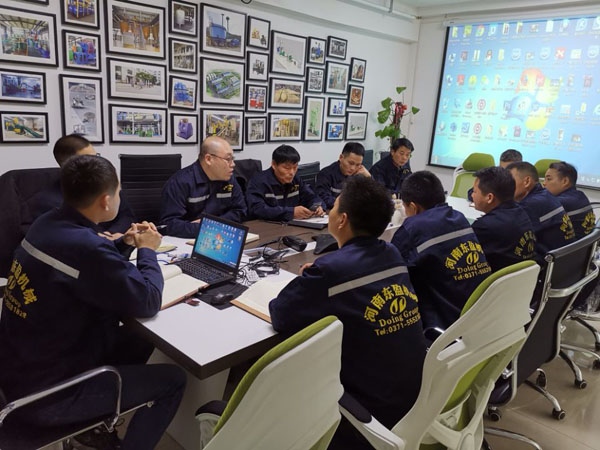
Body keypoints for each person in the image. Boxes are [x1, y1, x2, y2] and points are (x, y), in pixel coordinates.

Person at [0, 155, 185, 449]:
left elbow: (83, 266)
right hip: (47, 396)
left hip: (19, 368)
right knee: (173, 380)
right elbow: (147, 300)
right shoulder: (86, 246)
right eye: (119, 193)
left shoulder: (46, 223)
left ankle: (97, 421)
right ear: (105, 200)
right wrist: (148, 251)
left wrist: (123, 244)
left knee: (141, 338)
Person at [269, 176, 426, 449]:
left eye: (333, 208)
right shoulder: (391, 252)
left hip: (366, 412)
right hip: (415, 397)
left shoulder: (331, 270)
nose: (329, 212)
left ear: (341, 220)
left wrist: (314, 280)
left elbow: (280, 315)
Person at [391, 171, 491, 329]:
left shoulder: (413, 228)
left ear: (413, 207)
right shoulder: (459, 217)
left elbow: (392, 272)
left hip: (447, 325)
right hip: (481, 315)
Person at [26, 134, 135, 235]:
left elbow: (127, 216)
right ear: (69, 165)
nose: (98, 162)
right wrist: (100, 238)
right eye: (89, 159)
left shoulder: (107, 182)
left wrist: (113, 233)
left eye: (96, 156)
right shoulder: (46, 202)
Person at [160, 136, 247, 238]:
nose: (233, 164)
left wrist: (211, 224)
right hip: (187, 242)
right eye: (228, 159)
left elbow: (241, 211)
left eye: (233, 159)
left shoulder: (229, 179)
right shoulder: (180, 182)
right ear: (208, 159)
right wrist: (204, 228)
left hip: (219, 237)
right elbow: (169, 224)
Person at [470, 166, 536, 272]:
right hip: (521, 281)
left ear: (489, 198)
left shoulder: (485, 226)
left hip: (495, 284)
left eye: (474, 191)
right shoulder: (520, 212)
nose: (472, 195)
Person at [508, 161, 575, 256]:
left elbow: (506, 232)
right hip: (563, 259)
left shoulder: (531, 204)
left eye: (509, 181)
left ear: (527, 181)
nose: (505, 186)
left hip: (549, 263)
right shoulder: (544, 194)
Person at [246, 145, 325, 221]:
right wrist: (291, 212)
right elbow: (257, 209)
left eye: (295, 167)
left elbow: (311, 196)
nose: (292, 172)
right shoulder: (258, 181)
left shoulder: (296, 179)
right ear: (274, 164)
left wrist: (317, 206)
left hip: (292, 226)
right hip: (267, 227)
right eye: (287, 168)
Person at [544, 161, 596, 240]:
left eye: (548, 179)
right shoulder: (580, 195)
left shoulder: (559, 203)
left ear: (565, 181)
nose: (544, 183)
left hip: (565, 250)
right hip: (581, 248)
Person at [314, 142, 371, 209]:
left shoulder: (359, 174)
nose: (353, 168)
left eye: (358, 165)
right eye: (350, 163)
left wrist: (369, 178)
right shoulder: (326, 174)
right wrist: (348, 205)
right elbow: (323, 198)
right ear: (341, 157)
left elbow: (372, 197)